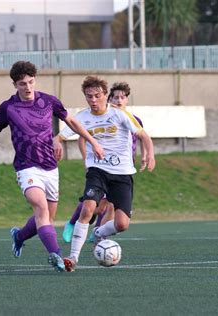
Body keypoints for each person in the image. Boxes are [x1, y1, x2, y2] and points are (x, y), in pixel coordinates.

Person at [0, 61, 104, 272]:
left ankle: (19, 236)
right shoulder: (8, 108)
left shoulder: (49, 101)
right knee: (40, 208)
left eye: (31, 82)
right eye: (22, 84)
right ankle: (56, 256)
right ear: (15, 85)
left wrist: (93, 141)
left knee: (48, 217)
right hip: (26, 167)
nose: (28, 87)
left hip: (50, 167)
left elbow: (72, 122)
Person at [54, 75, 156, 272]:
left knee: (122, 224)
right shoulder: (82, 117)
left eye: (97, 96)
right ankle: (73, 258)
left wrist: (149, 154)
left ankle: (99, 232)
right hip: (97, 171)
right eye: (88, 96)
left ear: (105, 95)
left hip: (122, 174)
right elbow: (60, 135)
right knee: (87, 209)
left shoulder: (120, 115)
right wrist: (56, 141)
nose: (93, 100)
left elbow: (144, 136)